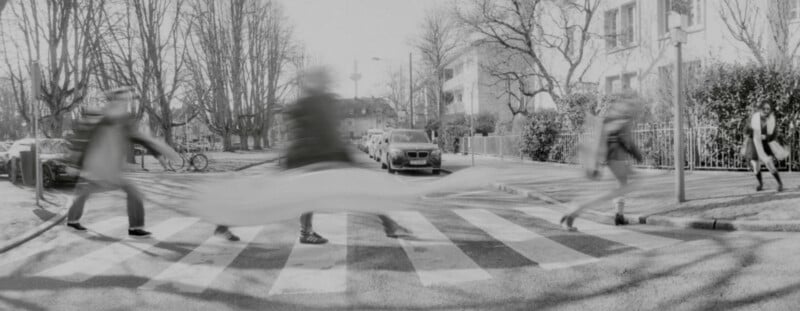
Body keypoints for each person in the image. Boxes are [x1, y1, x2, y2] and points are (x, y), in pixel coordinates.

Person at [65, 87, 174, 237]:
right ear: (114, 101)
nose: (124, 103)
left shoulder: (124, 121)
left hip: (112, 169)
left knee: (129, 193)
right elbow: (84, 141)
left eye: (126, 101)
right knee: (85, 192)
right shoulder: (100, 118)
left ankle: (135, 228)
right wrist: (75, 164)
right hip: (97, 167)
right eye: (122, 100)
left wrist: (159, 155)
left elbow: (139, 138)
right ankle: (72, 220)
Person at [561, 93, 643, 231]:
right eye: (633, 105)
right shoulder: (623, 119)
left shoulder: (609, 117)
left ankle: (619, 215)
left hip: (609, 158)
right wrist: (637, 154)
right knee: (623, 187)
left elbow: (600, 140)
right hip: (617, 158)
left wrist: (597, 163)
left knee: (621, 185)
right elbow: (626, 141)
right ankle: (576, 210)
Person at [743, 101, 783, 192]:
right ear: (760, 108)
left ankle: (780, 183)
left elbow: (774, 134)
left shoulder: (771, 119)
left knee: (770, 165)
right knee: (755, 166)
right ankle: (760, 183)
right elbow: (745, 131)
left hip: (765, 143)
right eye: (764, 108)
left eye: (768, 109)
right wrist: (753, 131)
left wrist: (766, 136)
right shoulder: (753, 118)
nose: (766, 110)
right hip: (753, 143)